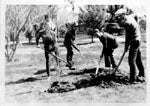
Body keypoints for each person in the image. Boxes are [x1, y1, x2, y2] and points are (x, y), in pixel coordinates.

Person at [115, 9, 145, 83]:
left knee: (131, 61)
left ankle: (133, 79)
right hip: (138, 38)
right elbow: (136, 15)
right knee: (137, 59)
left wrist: (126, 46)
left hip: (135, 41)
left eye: (118, 17)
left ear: (122, 15)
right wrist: (137, 24)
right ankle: (142, 74)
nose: (118, 19)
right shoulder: (130, 16)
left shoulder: (127, 23)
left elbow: (128, 37)